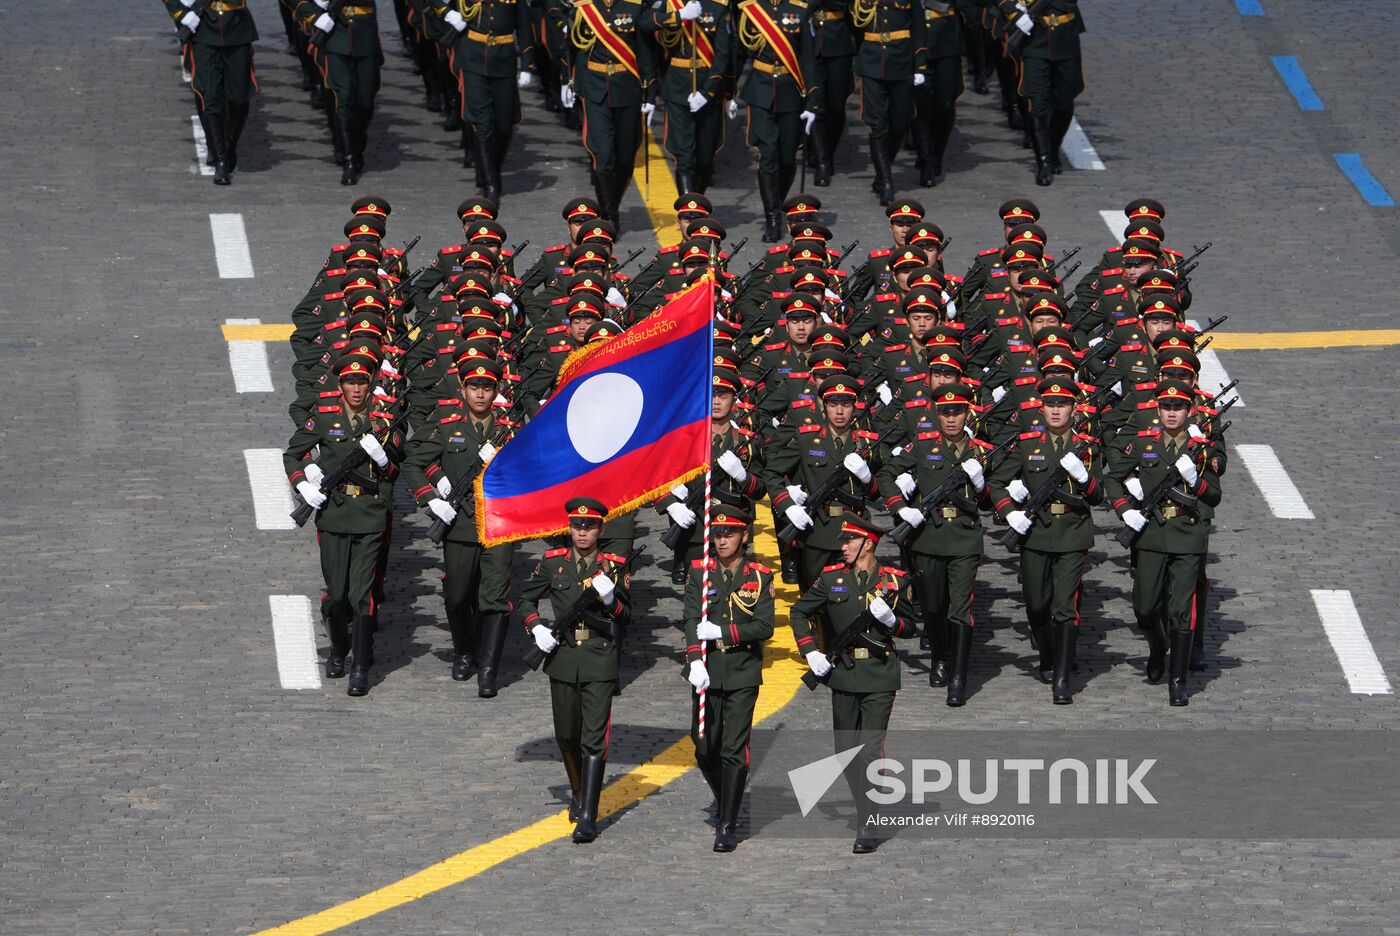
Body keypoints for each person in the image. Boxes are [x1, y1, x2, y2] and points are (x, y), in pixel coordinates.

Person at [789, 513, 916, 853]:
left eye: (848, 541)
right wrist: (811, 652)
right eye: (842, 541)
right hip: (843, 674)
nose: (841, 546)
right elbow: (799, 612)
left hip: (879, 673)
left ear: (868, 544)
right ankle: (866, 807)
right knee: (845, 753)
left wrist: (892, 621)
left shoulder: (893, 580)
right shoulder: (831, 580)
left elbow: (911, 627)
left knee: (870, 752)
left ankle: (868, 821)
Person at [283, 351, 404, 697]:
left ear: (371, 384)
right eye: (350, 381)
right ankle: (339, 648)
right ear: (340, 384)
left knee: (360, 594)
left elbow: (398, 466)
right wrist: (303, 481)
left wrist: (384, 460)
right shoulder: (323, 417)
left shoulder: (383, 422)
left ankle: (361, 667)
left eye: (362, 381)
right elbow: (294, 453)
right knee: (336, 597)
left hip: (369, 515)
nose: (356, 388)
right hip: (334, 514)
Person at [402, 355, 518, 693]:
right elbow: (414, 463)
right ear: (463, 389)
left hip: (498, 524)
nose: (480, 394)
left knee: (494, 597)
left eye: (487, 387)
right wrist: (431, 497)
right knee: (456, 597)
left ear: (496, 391)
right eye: (474, 387)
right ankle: (465, 650)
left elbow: (529, 473)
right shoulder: (449, 427)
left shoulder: (508, 432)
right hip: (460, 524)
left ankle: (487, 669)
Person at [519, 498, 633, 842]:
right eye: (577, 527)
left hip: (599, 657)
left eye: (589, 527)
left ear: (600, 530)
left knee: (593, 737)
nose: (582, 533)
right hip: (563, 657)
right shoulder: (553, 563)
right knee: (567, 734)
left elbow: (625, 618)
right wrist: (536, 627)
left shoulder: (614, 566)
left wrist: (612, 600)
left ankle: (588, 814)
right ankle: (578, 789)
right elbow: (525, 599)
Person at [1105, 381, 1224, 706]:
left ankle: (1177, 678)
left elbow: (1214, 494)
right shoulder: (1144, 442)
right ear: (1158, 410)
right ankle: (1158, 648)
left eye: (1178, 407)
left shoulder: (1201, 447)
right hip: (1150, 534)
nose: (1172, 413)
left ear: (1189, 411)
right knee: (1145, 608)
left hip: (1188, 535)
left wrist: (1196, 481)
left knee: (1180, 610)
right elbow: (1112, 477)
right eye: (1166, 407)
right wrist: (1125, 510)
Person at [987, 378, 1102, 703]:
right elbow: (997, 483)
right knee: (1037, 605)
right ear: (1041, 407)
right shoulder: (1027, 444)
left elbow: (1097, 495)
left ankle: (1062, 678)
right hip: (1035, 532)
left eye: (1062, 404)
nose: (1056, 410)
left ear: (1073, 408)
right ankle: (1048, 656)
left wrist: (1083, 477)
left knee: (1065, 606)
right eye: (1050, 404)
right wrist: (1010, 511)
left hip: (1072, 532)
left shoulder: (1086, 445)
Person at [877, 382, 991, 705]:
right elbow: (886, 475)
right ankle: (940, 654)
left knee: (960, 608)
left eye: (957, 412)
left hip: (965, 540)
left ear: (967, 413)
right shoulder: (923, 445)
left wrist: (981, 484)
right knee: (932, 607)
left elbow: (990, 500)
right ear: (937, 414)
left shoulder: (979, 451)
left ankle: (958, 675)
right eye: (945, 412)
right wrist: (902, 507)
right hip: (927, 537)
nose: (951, 419)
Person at [681, 505, 775, 851]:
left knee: (734, 749)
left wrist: (723, 631)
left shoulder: (760, 576)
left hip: (740, 671)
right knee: (704, 748)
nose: (722, 540)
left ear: (744, 536)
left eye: (729, 534)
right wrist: (694, 659)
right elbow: (690, 617)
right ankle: (727, 800)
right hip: (705, 670)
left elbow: (764, 626)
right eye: (718, 534)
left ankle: (728, 823)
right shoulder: (699, 573)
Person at [734, 0, 820, 241]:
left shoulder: (800, 10)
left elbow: (808, 58)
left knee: (787, 157)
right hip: (760, 90)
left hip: (791, 91)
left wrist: (813, 99)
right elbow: (739, 52)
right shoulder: (751, 10)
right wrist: (728, 91)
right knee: (768, 154)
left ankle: (777, 201)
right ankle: (772, 216)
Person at [567, 0, 657, 229]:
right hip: (595, 89)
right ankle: (609, 216)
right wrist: (566, 81)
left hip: (628, 88)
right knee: (604, 157)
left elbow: (645, 51)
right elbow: (570, 48)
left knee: (626, 158)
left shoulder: (634, 7)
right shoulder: (584, 8)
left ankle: (611, 205)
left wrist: (650, 92)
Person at [432, 0, 534, 200]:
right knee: (481, 122)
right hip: (473, 57)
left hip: (504, 59)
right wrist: (448, 13)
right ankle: (490, 183)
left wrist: (527, 65)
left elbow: (524, 25)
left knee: (504, 127)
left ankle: (490, 170)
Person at [642, 0, 734, 194]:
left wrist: (707, 92)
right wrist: (678, 15)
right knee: (685, 157)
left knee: (705, 159)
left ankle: (698, 201)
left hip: (708, 86)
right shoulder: (669, 4)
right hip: (677, 86)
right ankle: (688, 214)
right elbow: (645, 23)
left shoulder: (718, 7)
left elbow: (724, 54)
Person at [165, 0, 258, 185]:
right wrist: (181, 13)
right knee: (210, 96)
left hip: (236, 26)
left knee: (239, 98)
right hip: (203, 27)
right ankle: (221, 158)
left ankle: (230, 146)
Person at [295, 0, 384, 185]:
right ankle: (349, 159)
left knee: (365, 104)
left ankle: (356, 145)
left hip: (364, 31)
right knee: (343, 98)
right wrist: (314, 12)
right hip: (335, 33)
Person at [996, 0, 1083, 185]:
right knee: (1037, 102)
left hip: (1065, 36)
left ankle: (1052, 147)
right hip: (1034, 38)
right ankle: (1044, 161)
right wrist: (1015, 14)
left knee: (1064, 104)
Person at [849, 0, 926, 204]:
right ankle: (886, 182)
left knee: (900, 123)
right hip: (872, 61)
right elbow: (854, 22)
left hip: (901, 60)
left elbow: (918, 27)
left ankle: (883, 172)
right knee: (877, 124)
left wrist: (920, 65)